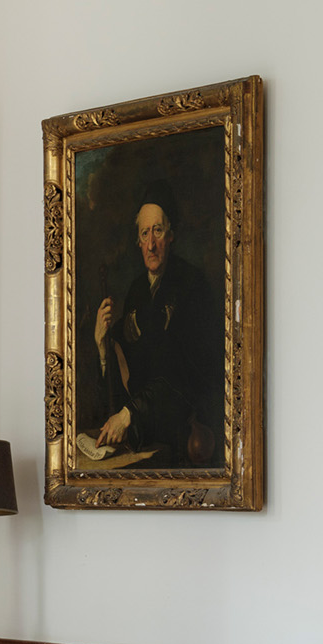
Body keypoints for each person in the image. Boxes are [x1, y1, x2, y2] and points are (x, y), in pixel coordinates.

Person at [91, 183, 217, 464]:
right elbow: (125, 373)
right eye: (144, 233)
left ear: (170, 236)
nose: (151, 244)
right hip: (145, 431)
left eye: (157, 231)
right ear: (137, 241)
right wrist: (103, 345)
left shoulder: (192, 284)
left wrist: (127, 415)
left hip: (185, 433)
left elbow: (181, 374)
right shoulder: (136, 290)